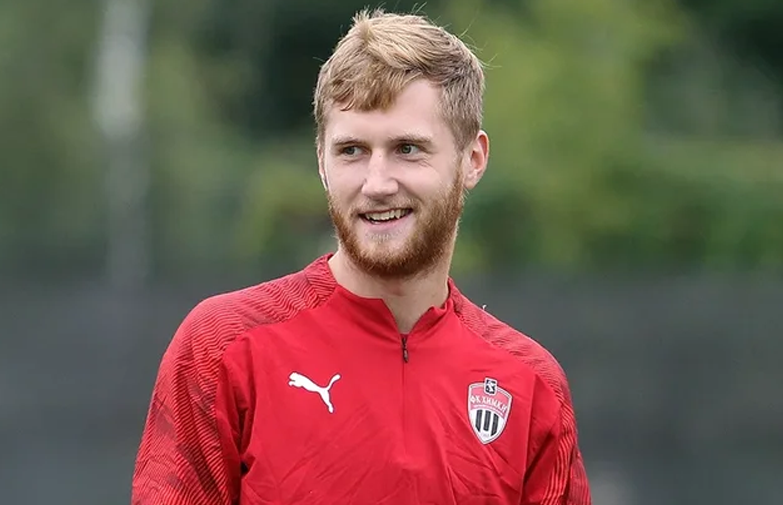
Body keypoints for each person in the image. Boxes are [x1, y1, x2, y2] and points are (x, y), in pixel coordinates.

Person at [132, 8, 591, 505]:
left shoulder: (530, 385)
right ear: (321, 161)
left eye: (408, 149)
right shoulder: (222, 347)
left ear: (472, 160)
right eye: (351, 150)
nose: (376, 184)